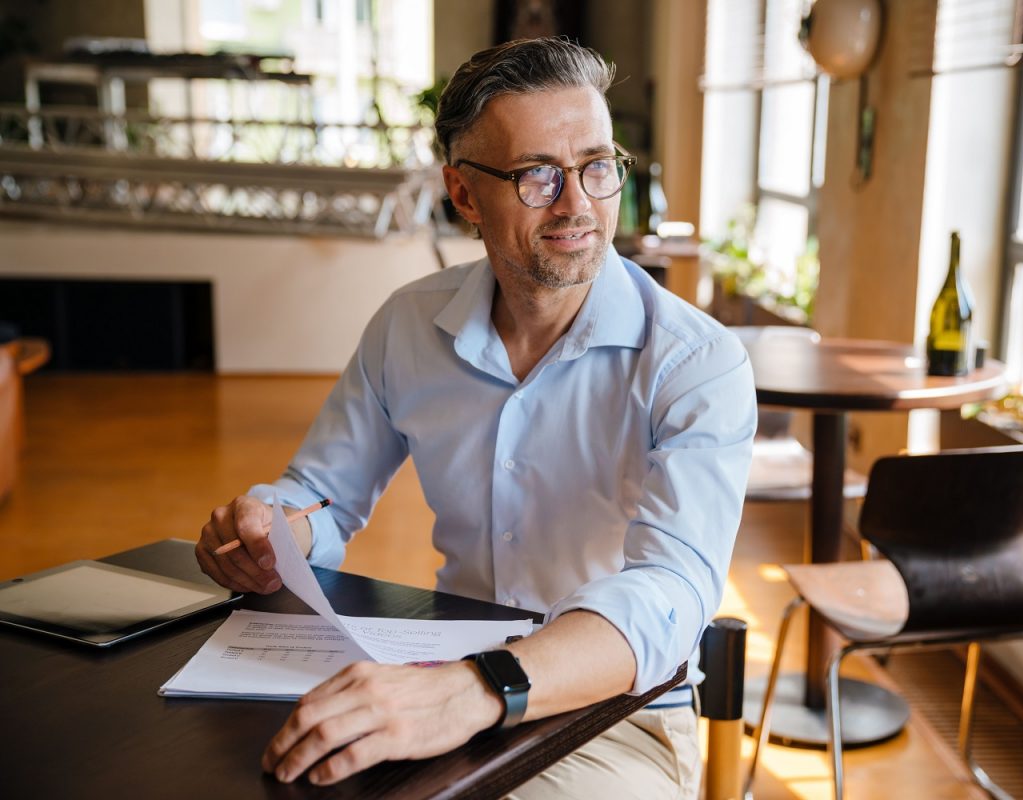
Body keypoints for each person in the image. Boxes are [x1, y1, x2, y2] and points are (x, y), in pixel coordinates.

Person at [195, 37, 756, 798]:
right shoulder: (407, 325)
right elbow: (321, 493)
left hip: (619, 712)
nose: (577, 204)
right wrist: (272, 534)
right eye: (537, 176)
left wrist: (474, 690)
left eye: (597, 166)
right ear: (463, 195)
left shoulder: (696, 364)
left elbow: (670, 593)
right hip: (443, 673)